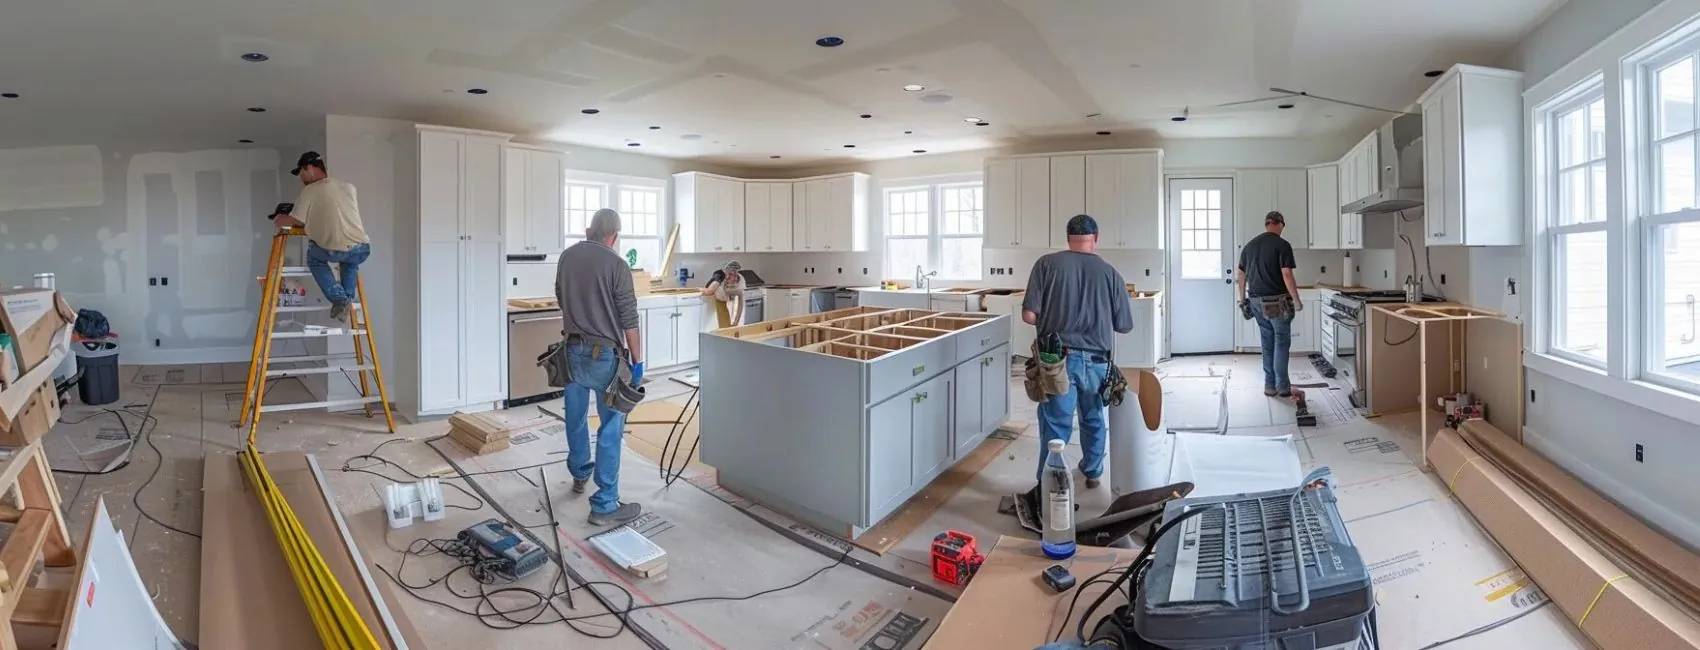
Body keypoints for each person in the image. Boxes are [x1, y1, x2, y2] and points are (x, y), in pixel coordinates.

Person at [1022, 215, 1134, 490]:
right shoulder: (1111, 274)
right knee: (1094, 417)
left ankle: (1050, 484)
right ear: (1095, 238)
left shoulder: (1046, 265)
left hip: (1057, 361)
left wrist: (1055, 315)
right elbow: (1124, 326)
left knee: (1056, 424)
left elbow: (1028, 316)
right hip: (1098, 362)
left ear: (1068, 238)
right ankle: (1093, 471)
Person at [556, 208, 645, 526]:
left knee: (576, 416)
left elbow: (560, 297)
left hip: (571, 349)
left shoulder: (567, 257)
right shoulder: (617, 265)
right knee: (611, 426)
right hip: (605, 355)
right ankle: (605, 504)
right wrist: (637, 361)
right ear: (614, 236)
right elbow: (628, 318)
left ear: (588, 229)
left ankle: (580, 473)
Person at [272, 151, 371, 322]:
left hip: (335, 249)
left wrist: (280, 219)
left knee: (314, 258)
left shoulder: (310, 190)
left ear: (309, 168)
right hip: (362, 248)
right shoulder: (349, 187)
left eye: (301, 172)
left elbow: (297, 220)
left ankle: (340, 299)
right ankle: (345, 301)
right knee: (350, 263)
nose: (301, 178)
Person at [1237, 210, 1302, 397]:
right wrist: (1296, 300)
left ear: (1266, 224)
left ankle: (1269, 386)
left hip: (1256, 300)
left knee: (1267, 342)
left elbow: (1240, 275)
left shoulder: (1249, 246)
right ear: (1280, 224)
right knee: (1281, 342)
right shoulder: (1282, 245)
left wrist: (1243, 300)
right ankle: (1282, 387)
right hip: (1276, 302)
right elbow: (1287, 274)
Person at [702, 260, 746, 327]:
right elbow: (709, 290)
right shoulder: (719, 277)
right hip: (717, 299)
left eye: (731, 275)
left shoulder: (740, 285)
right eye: (727, 274)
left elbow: (740, 305)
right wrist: (699, 290)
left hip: (727, 300)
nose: (728, 277)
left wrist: (736, 322)